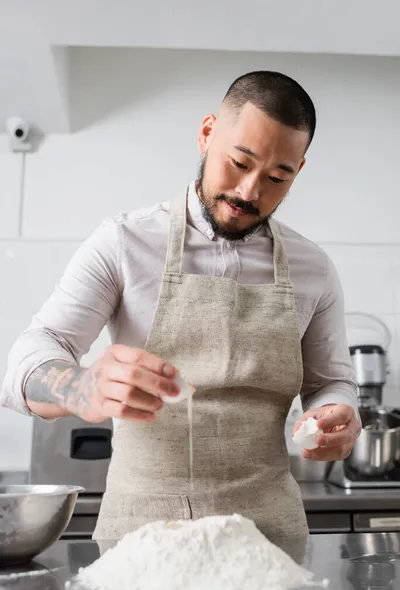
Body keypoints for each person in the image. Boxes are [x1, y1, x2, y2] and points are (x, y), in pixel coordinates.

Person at [1, 70, 360, 563]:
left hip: (268, 543)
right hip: (141, 538)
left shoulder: (313, 268)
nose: (250, 191)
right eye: (240, 162)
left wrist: (338, 412)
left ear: (299, 169)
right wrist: (80, 388)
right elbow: (25, 359)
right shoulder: (124, 242)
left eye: (279, 177)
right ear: (207, 132)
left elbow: (330, 383)